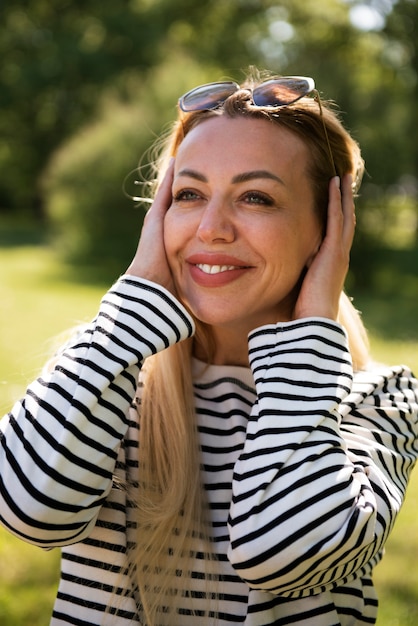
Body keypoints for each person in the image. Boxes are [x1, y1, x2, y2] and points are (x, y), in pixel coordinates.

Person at [1, 70, 417, 626]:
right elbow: (29, 511)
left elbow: (281, 552)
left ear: (328, 229)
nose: (211, 229)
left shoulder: (381, 400)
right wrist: (135, 305)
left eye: (256, 197)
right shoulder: (108, 370)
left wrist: (314, 327)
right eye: (189, 195)